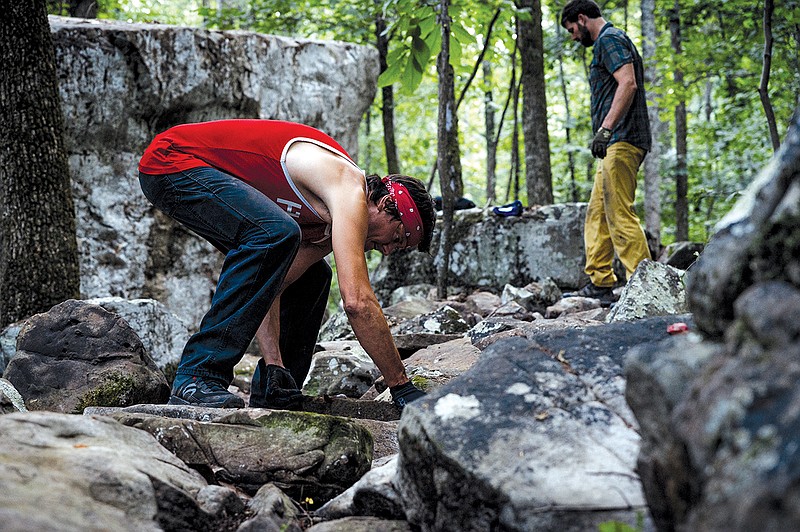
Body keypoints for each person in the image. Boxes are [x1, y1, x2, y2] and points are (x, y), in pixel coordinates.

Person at [138, 119, 435, 409]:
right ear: (384, 205)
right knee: (275, 234)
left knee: (313, 276)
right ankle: (197, 377)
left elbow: (272, 284)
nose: (386, 250)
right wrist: (400, 385)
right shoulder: (348, 187)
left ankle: (277, 391)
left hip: (186, 172)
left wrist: (274, 365)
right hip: (172, 161)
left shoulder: (323, 225)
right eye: (396, 238)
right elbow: (357, 301)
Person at [560, 0, 652, 303]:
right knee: (597, 212)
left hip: (623, 139)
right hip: (614, 141)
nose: (574, 36)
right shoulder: (605, 43)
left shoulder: (610, 39)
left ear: (583, 19)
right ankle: (600, 281)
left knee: (618, 212)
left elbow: (628, 83)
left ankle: (644, 286)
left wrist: (606, 129)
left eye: (573, 29)